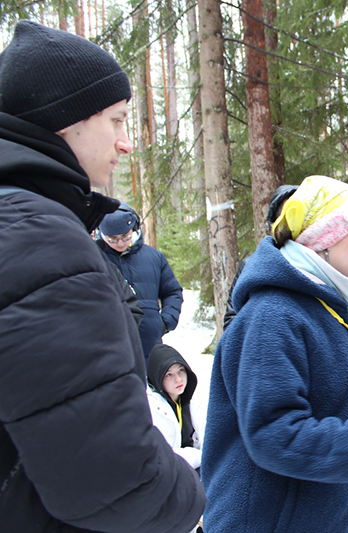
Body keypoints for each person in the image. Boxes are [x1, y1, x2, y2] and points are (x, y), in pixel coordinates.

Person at [0, 20, 204, 531]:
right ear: (64, 121)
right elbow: (112, 477)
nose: (126, 143)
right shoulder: (40, 237)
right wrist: (192, 494)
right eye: (116, 120)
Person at [202, 175, 348, 532]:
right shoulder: (273, 317)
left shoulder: (325, 308)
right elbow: (274, 436)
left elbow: (328, 405)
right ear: (323, 239)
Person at [98, 202, 183, 360]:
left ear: (134, 229)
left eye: (125, 237)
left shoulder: (154, 257)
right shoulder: (94, 258)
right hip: (108, 348)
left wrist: (165, 322)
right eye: (113, 239)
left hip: (150, 345)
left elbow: (172, 292)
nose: (120, 243)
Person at [223, 183, 298, 330]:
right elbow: (231, 321)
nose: (292, 224)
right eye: (284, 216)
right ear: (273, 224)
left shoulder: (321, 265)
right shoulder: (252, 266)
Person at [147, 344, 204, 471]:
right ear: (157, 377)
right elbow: (161, 456)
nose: (178, 379)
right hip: (171, 475)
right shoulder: (151, 409)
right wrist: (199, 457)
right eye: (169, 374)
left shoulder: (194, 399)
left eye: (181, 370)